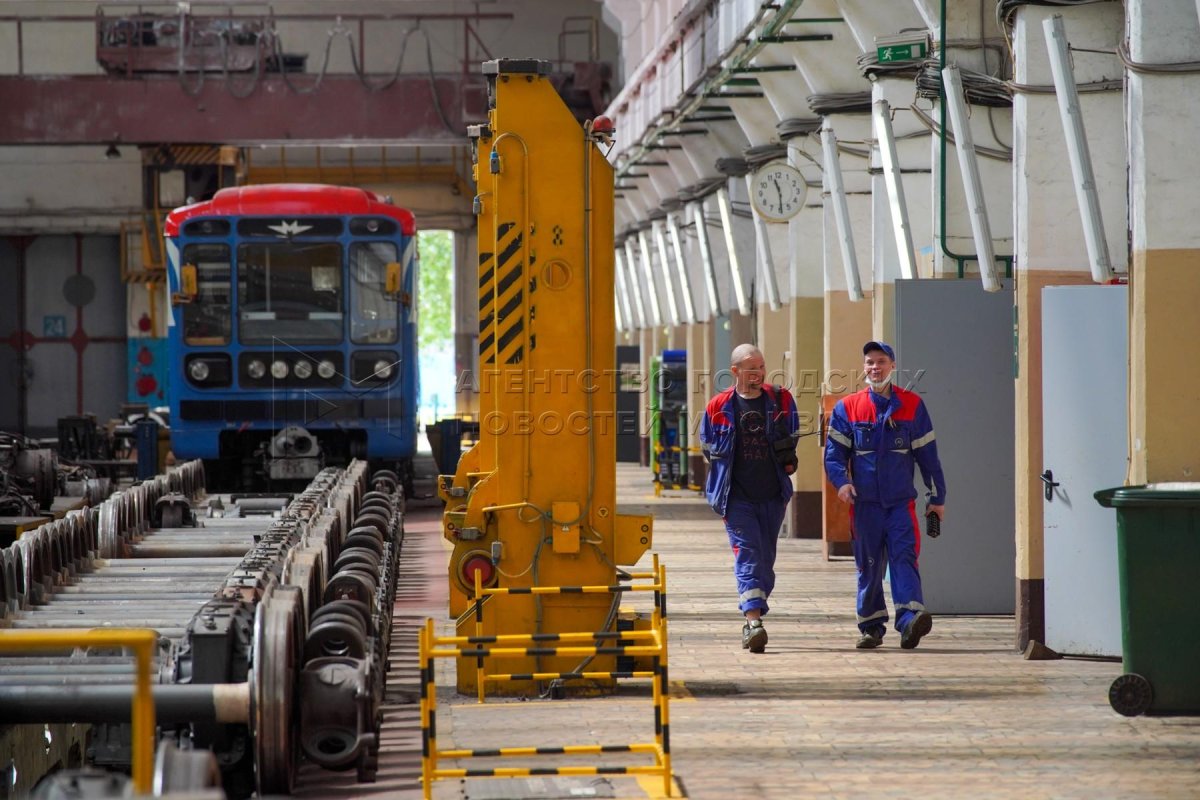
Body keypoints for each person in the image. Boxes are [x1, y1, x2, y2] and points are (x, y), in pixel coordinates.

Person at [823, 341, 946, 650]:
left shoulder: (912, 406)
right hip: (864, 506)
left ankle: (910, 620)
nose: (874, 367)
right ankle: (871, 626)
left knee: (905, 558)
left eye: (881, 361)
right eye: (869, 362)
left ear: (892, 366)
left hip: (900, 505)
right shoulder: (847, 408)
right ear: (863, 367)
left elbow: (928, 458)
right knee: (869, 564)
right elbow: (834, 455)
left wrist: (937, 498)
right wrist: (842, 483)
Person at [700, 344, 800, 653]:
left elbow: (793, 436)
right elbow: (708, 447)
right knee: (748, 555)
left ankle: (755, 607)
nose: (758, 372)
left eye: (761, 366)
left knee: (765, 562)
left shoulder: (781, 401)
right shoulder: (718, 406)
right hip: (736, 498)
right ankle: (753, 621)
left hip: (772, 496)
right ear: (735, 372)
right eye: (751, 367)